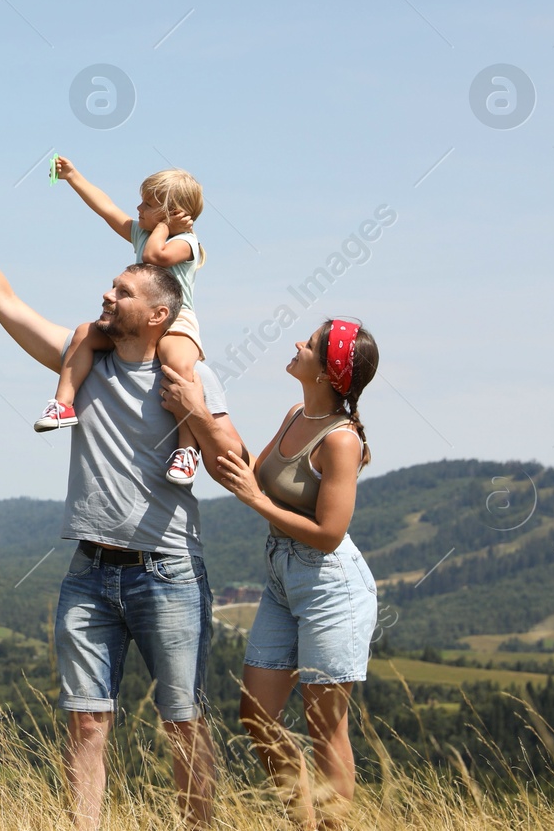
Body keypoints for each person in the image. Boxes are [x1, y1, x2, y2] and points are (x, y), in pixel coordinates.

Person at [0, 167, 244, 831]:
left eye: (121, 290)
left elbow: (233, 458)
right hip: (89, 574)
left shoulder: (190, 371)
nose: (107, 292)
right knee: (86, 723)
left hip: (169, 571)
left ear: (159, 313)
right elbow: (4, 304)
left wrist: (198, 415)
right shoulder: (85, 359)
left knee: (183, 723)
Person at [164, 318, 380, 830]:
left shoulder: (341, 441)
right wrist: (196, 415)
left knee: (326, 729)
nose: (298, 344)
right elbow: (244, 467)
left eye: (311, 343)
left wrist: (257, 500)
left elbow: (328, 532)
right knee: (256, 714)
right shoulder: (293, 415)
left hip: (331, 584)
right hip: (283, 579)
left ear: (330, 371)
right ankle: (303, 822)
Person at [35, 158, 211, 487]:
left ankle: (187, 450)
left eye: (147, 203)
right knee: (85, 333)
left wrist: (162, 227)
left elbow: (154, 258)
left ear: (171, 212)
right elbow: (106, 208)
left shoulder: (186, 241)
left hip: (175, 320)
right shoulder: (143, 231)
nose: (138, 208)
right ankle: (63, 404)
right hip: (136, 318)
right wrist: (73, 176)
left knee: (179, 369)